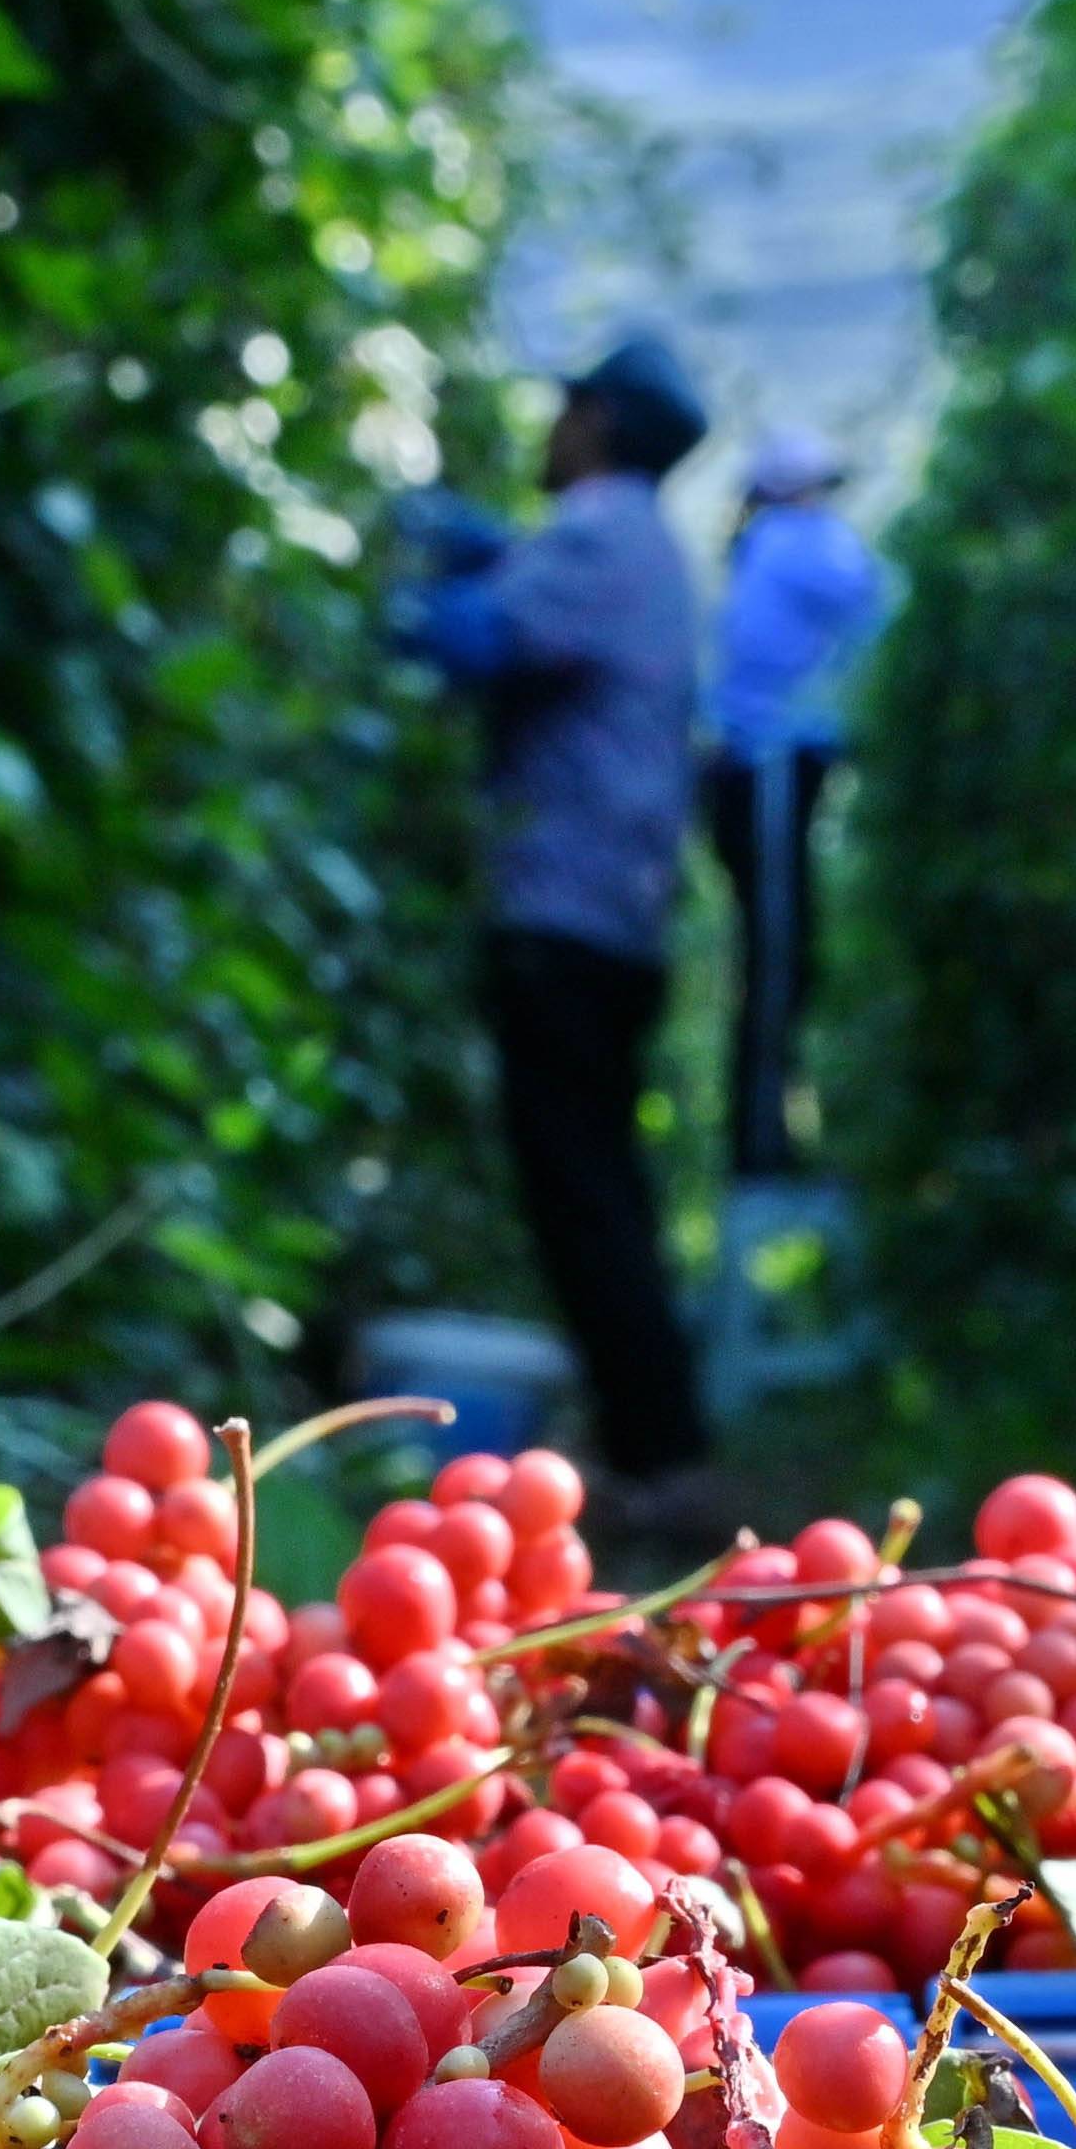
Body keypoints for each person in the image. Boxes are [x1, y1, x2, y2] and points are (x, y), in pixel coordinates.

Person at [399, 327, 708, 1479]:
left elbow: (481, 640)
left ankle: (654, 1451)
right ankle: (656, 1438)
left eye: (568, 407)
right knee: (600, 1182)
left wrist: (405, 581)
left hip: (562, 917)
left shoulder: (599, 530)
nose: (551, 426)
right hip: (613, 918)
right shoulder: (639, 543)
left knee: (579, 1190)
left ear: (604, 426)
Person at [697, 428, 884, 1181]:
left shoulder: (761, 549)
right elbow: (878, 603)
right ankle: (760, 1148)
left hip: (761, 772)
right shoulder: (794, 543)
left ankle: (767, 1130)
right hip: (766, 768)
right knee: (776, 953)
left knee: (779, 946)